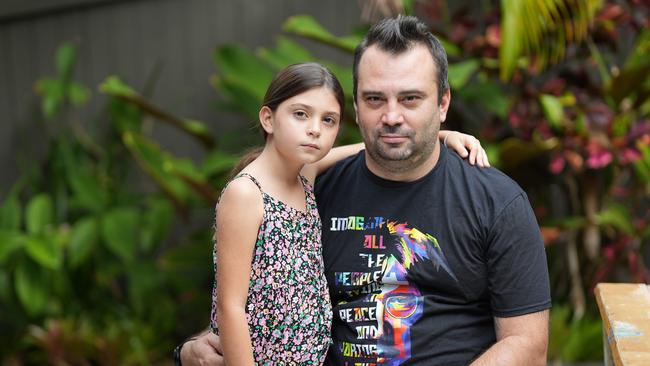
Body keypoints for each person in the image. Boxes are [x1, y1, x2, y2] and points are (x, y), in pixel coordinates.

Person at [180, 15, 550, 366]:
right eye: (375, 99)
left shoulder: (496, 201)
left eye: (410, 99)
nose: (391, 116)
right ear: (356, 107)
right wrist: (194, 349)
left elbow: (527, 346)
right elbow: (255, 300)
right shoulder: (308, 191)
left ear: (442, 103)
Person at [192, 61, 490, 366]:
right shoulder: (247, 194)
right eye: (300, 114)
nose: (314, 129)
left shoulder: (304, 176)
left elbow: (367, 148)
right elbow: (231, 305)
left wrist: (438, 135)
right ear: (268, 118)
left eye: (329, 120)